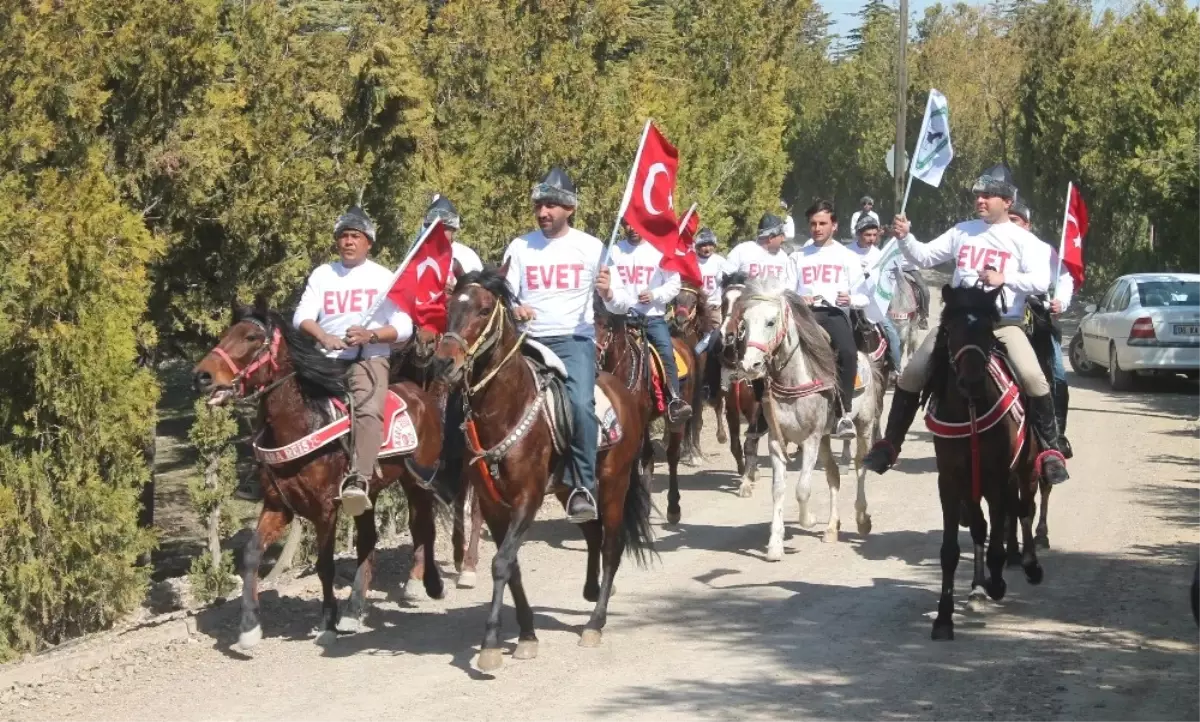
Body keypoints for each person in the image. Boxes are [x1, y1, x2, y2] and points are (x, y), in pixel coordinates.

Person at [862, 164, 1069, 484]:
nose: (980, 200)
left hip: (1002, 325)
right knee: (913, 372)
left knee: (1033, 377)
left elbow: (1042, 279)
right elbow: (924, 257)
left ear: (1007, 201)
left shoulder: (1024, 241)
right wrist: (905, 238)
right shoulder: (962, 231)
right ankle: (889, 445)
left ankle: (1050, 452)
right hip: (956, 324)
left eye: (988, 195)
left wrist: (1006, 278)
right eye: (978, 195)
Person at [502, 167, 632, 522]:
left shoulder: (591, 247)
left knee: (578, 404)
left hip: (572, 341)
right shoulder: (520, 246)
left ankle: (582, 485)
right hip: (527, 341)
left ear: (569, 209)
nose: (543, 213)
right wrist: (516, 308)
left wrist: (607, 291)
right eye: (539, 206)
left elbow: (622, 303)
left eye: (552, 206)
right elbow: (506, 294)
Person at [293, 205, 414, 517]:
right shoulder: (323, 274)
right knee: (283, 397)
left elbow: (404, 327)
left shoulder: (384, 278)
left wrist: (370, 336)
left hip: (368, 359)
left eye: (355, 236)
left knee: (368, 409)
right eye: (343, 236)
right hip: (325, 358)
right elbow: (301, 317)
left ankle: (359, 478)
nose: (348, 242)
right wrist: (322, 336)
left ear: (368, 243)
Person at [789, 200, 868, 439]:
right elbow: (785, 290)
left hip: (834, 313)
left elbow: (865, 295)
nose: (817, 228)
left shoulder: (847, 256)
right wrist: (798, 298)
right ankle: (766, 410)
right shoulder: (797, 256)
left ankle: (843, 412)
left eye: (823, 223)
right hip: (804, 314)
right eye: (813, 223)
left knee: (846, 351)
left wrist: (851, 299)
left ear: (834, 225)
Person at [609, 223, 692, 424]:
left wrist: (655, 294)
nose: (632, 228)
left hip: (652, 318)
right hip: (621, 318)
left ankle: (674, 400)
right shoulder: (614, 250)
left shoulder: (660, 251)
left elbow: (674, 285)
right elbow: (608, 282)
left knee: (666, 352)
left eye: (635, 224)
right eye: (627, 224)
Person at [1009, 198, 1074, 457]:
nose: (1011, 225)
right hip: (998, 318)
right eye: (1008, 220)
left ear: (1027, 224)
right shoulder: (992, 243)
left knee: (1058, 375)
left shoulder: (1042, 249)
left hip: (1038, 319)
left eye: (1016, 221)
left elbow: (1065, 276)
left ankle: (1055, 437)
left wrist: (1061, 301)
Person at [848, 213, 904, 371]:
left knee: (892, 335)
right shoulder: (845, 252)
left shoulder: (879, 255)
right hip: (848, 303)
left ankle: (895, 369)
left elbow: (885, 281)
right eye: (867, 235)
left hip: (872, 304)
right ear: (858, 234)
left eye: (874, 235)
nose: (871, 238)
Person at [720, 213, 797, 288]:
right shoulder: (742, 250)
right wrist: (740, 279)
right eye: (781, 236)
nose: (783, 239)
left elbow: (789, 286)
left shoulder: (783, 257)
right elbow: (722, 276)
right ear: (770, 238)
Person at [422, 195, 482, 290]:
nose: (439, 232)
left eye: (444, 228)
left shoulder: (468, 257)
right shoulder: (419, 256)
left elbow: (478, 293)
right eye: (434, 228)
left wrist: (456, 290)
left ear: (453, 229)